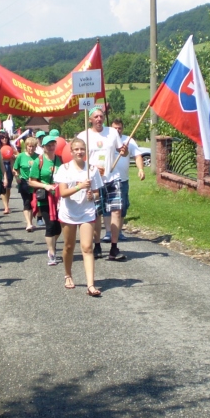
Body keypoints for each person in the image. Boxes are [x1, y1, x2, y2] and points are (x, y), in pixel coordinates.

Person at [54, 138, 104, 296]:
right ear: (71, 151)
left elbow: (97, 194)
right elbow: (62, 193)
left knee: (87, 247)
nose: (79, 152)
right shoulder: (64, 169)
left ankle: (90, 285)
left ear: (86, 151)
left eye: (82, 149)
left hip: (86, 212)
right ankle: (68, 275)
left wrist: (92, 196)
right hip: (69, 213)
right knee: (69, 246)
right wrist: (79, 186)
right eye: (76, 149)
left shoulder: (92, 170)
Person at [77, 108, 128, 260]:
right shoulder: (83, 135)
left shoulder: (112, 132)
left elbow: (122, 152)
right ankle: (97, 245)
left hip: (113, 176)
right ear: (90, 119)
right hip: (94, 180)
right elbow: (78, 157)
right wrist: (91, 169)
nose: (99, 119)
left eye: (101, 116)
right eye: (96, 116)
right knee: (96, 213)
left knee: (117, 210)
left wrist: (124, 151)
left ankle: (114, 248)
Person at [103, 118, 145, 242]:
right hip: (107, 178)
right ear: (111, 128)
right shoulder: (106, 138)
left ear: (123, 128)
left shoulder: (129, 140)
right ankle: (108, 232)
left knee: (122, 206)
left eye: (119, 128)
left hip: (123, 180)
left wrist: (141, 169)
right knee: (107, 206)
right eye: (115, 128)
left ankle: (119, 231)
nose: (117, 130)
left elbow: (137, 156)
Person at [29, 135, 63, 265]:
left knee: (58, 228)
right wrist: (45, 186)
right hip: (44, 198)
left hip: (58, 198)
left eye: (53, 144)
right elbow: (31, 182)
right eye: (48, 145)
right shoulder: (39, 161)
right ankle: (51, 253)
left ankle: (52, 244)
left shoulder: (59, 160)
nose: (51, 147)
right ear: (43, 147)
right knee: (50, 225)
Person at [13, 136, 39, 232]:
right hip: (24, 182)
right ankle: (28, 223)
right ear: (26, 147)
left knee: (33, 203)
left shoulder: (38, 157)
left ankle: (31, 222)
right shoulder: (21, 156)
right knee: (27, 202)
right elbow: (15, 169)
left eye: (33, 146)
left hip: (35, 182)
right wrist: (17, 177)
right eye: (29, 146)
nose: (31, 148)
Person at [0, 130, 14, 214]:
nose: (4, 139)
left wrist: (14, 157)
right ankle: (6, 207)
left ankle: (7, 204)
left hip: (9, 166)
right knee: (3, 186)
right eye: (2, 138)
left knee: (8, 188)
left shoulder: (11, 147)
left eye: (6, 138)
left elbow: (16, 155)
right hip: (1, 166)